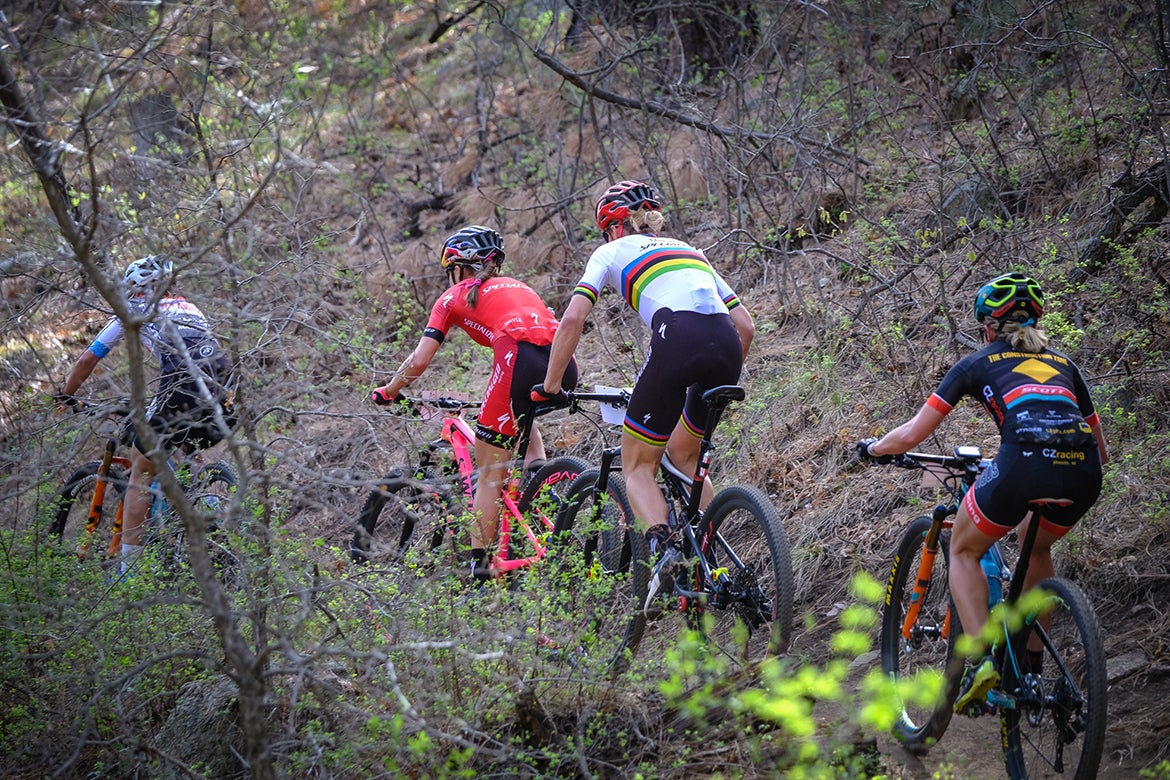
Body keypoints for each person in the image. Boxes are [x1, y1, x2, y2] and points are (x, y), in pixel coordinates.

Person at [856, 271, 1108, 714]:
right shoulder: (1066, 366)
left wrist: (874, 448)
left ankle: (981, 662)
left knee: (963, 548)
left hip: (1021, 465)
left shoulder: (977, 363)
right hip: (1083, 473)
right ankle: (1031, 667)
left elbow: (913, 433)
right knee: (1035, 546)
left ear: (988, 326)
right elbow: (1101, 450)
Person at [534, 180, 755, 614]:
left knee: (637, 466)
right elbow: (745, 325)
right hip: (727, 348)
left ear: (612, 227)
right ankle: (712, 564)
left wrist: (552, 384)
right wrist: (716, 383)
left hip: (677, 337)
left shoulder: (610, 251)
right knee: (685, 458)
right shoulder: (690, 250)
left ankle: (666, 552)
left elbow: (573, 318)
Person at [370, 225, 578, 580]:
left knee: (489, 475)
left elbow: (419, 361)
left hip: (519, 361)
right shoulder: (519, 286)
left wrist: (389, 390)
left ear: (458, 268)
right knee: (522, 417)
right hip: (565, 364)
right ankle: (539, 485)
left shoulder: (453, 296)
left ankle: (480, 573)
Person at [56, 255, 237, 574]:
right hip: (225, 384)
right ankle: (211, 515)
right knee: (185, 443)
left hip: (182, 384)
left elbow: (88, 359)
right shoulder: (189, 307)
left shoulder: (132, 308)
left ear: (136, 287)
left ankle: (129, 572)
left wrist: (65, 394)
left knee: (141, 468)